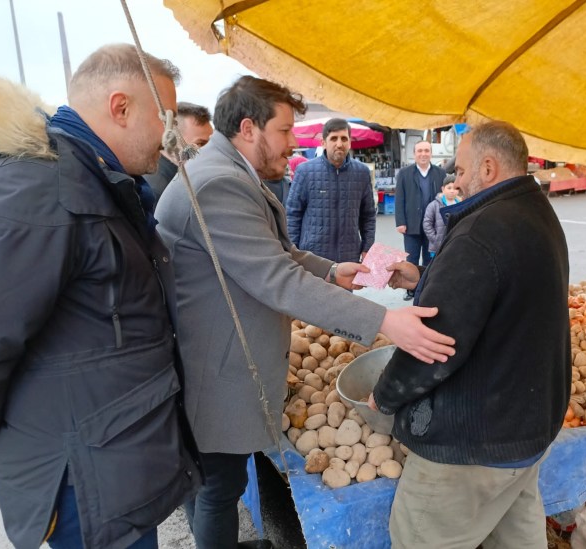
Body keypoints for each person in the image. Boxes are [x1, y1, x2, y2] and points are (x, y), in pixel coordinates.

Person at [154, 75, 455, 549]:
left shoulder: (228, 171)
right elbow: (279, 279)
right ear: (248, 128)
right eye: (285, 130)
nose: (293, 142)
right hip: (214, 367)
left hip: (217, 356)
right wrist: (383, 320)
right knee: (217, 488)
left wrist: (331, 271)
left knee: (211, 481)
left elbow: (278, 253)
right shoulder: (218, 184)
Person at [0, 44, 201, 549]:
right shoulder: (42, 189)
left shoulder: (97, 179)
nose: (168, 134)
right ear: (120, 107)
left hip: (114, 459)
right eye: (164, 117)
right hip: (83, 478)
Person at [370, 121, 571, 549]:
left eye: (460, 171)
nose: (456, 183)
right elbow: (498, 288)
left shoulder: (480, 230)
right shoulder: (536, 210)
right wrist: (425, 278)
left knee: (419, 540)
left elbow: (434, 342)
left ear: (489, 167)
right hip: (527, 431)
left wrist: (384, 395)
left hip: (475, 441)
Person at [286, 118, 375, 262]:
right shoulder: (305, 171)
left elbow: (368, 215)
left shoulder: (362, 173)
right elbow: (293, 214)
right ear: (323, 143)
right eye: (334, 138)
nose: (339, 144)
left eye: (344, 139)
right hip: (313, 257)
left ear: (349, 143)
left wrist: (367, 247)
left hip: (348, 256)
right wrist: (293, 251)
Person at [394, 139, 446, 299]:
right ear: (414, 154)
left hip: (433, 225)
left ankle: (427, 287)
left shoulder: (440, 173)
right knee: (411, 257)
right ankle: (411, 289)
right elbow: (399, 198)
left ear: (431, 153)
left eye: (426, 151)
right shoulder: (405, 173)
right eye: (420, 151)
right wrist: (400, 222)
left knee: (431, 258)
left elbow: (445, 197)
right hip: (411, 224)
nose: (423, 154)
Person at [145, 101, 213, 202]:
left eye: (211, 143)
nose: (210, 150)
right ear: (174, 140)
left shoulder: (185, 176)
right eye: (200, 144)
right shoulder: (158, 189)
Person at [422, 174, 461, 259]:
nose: (452, 191)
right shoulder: (434, 205)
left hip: (456, 245)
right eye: (449, 188)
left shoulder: (462, 205)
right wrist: (435, 239)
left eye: (455, 188)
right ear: (443, 189)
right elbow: (427, 224)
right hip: (438, 247)